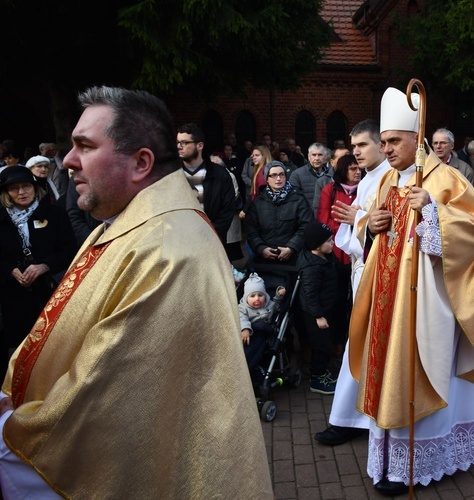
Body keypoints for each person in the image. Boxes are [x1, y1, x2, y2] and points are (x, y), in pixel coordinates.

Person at [0, 86, 272, 498]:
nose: (68, 161)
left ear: (141, 162)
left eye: (84, 146)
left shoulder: (169, 250)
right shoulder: (127, 222)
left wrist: (15, 428)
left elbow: (108, 392)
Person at [347, 88, 474, 495]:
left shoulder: (445, 178)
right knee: (390, 369)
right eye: (383, 142)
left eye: (394, 141)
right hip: (390, 300)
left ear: (418, 139)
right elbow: (374, 233)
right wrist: (371, 224)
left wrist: (434, 210)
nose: (386, 149)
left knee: (427, 372)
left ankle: (424, 462)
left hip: (433, 303)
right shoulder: (387, 182)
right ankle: (392, 460)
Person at [314, 118, 388, 447]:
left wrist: (358, 219)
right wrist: (358, 219)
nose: (355, 152)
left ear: (381, 144)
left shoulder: (390, 177)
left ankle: (356, 417)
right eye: (353, 145)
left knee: (365, 346)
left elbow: (387, 229)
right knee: (358, 345)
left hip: (382, 278)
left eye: (362, 145)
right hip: (364, 273)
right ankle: (351, 416)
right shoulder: (372, 178)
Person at [0, 166, 76, 362]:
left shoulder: (55, 214)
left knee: (51, 346)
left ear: (35, 188)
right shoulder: (1, 219)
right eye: (14, 188)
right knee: (18, 349)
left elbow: (69, 249)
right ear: (6, 193)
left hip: (50, 292)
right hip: (13, 296)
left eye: (26, 186)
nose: (21, 192)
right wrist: (10, 270)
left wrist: (44, 266)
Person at [297, 222, 345, 395]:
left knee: (327, 341)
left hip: (327, 308)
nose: (333, 243)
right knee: (321, 345)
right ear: (317, 245)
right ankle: (317, 378)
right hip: (316, 315)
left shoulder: (325, 257)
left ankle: (323, 373)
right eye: (329, 241)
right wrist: (318, 316)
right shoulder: (312, 268)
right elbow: (310, 295)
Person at [177, 123, 237, 258]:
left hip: (212, 245)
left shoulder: (219, 175)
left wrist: (210, 235)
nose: (179, 147)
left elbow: (227, 210)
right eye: (178, 142)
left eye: (184, 142)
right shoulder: (171, 175)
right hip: (178, 245)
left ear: (199, 146)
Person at [246, 161, 313, 279]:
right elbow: (251, 229)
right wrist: (261, 248)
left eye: (282, 174)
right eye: (273, 175)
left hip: (293, 260)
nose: (278, 178)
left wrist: (291, 248)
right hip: (264, 261)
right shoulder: (258, 202)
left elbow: (306, 226)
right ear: (267, 178)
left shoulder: (298, 199)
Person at [239, 272, 286, 383]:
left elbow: (276, 306)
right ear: (246, 297)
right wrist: (245, 329)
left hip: (263, 333)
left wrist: (279, 295)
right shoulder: (242, 308)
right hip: (247, 334)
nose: (257, 299)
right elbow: (241, 318)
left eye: (260, 295)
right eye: (252, 296)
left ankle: (249, 371)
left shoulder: (269, 304)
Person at [317, 154, 360, 266]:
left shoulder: (364, 188)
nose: (358, 172)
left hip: (358, 243)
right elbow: (323, 219)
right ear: (343, 170)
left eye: (359, 168)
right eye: (353, 169)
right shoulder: (330, 189)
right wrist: (344, 228)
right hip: (335, 245)